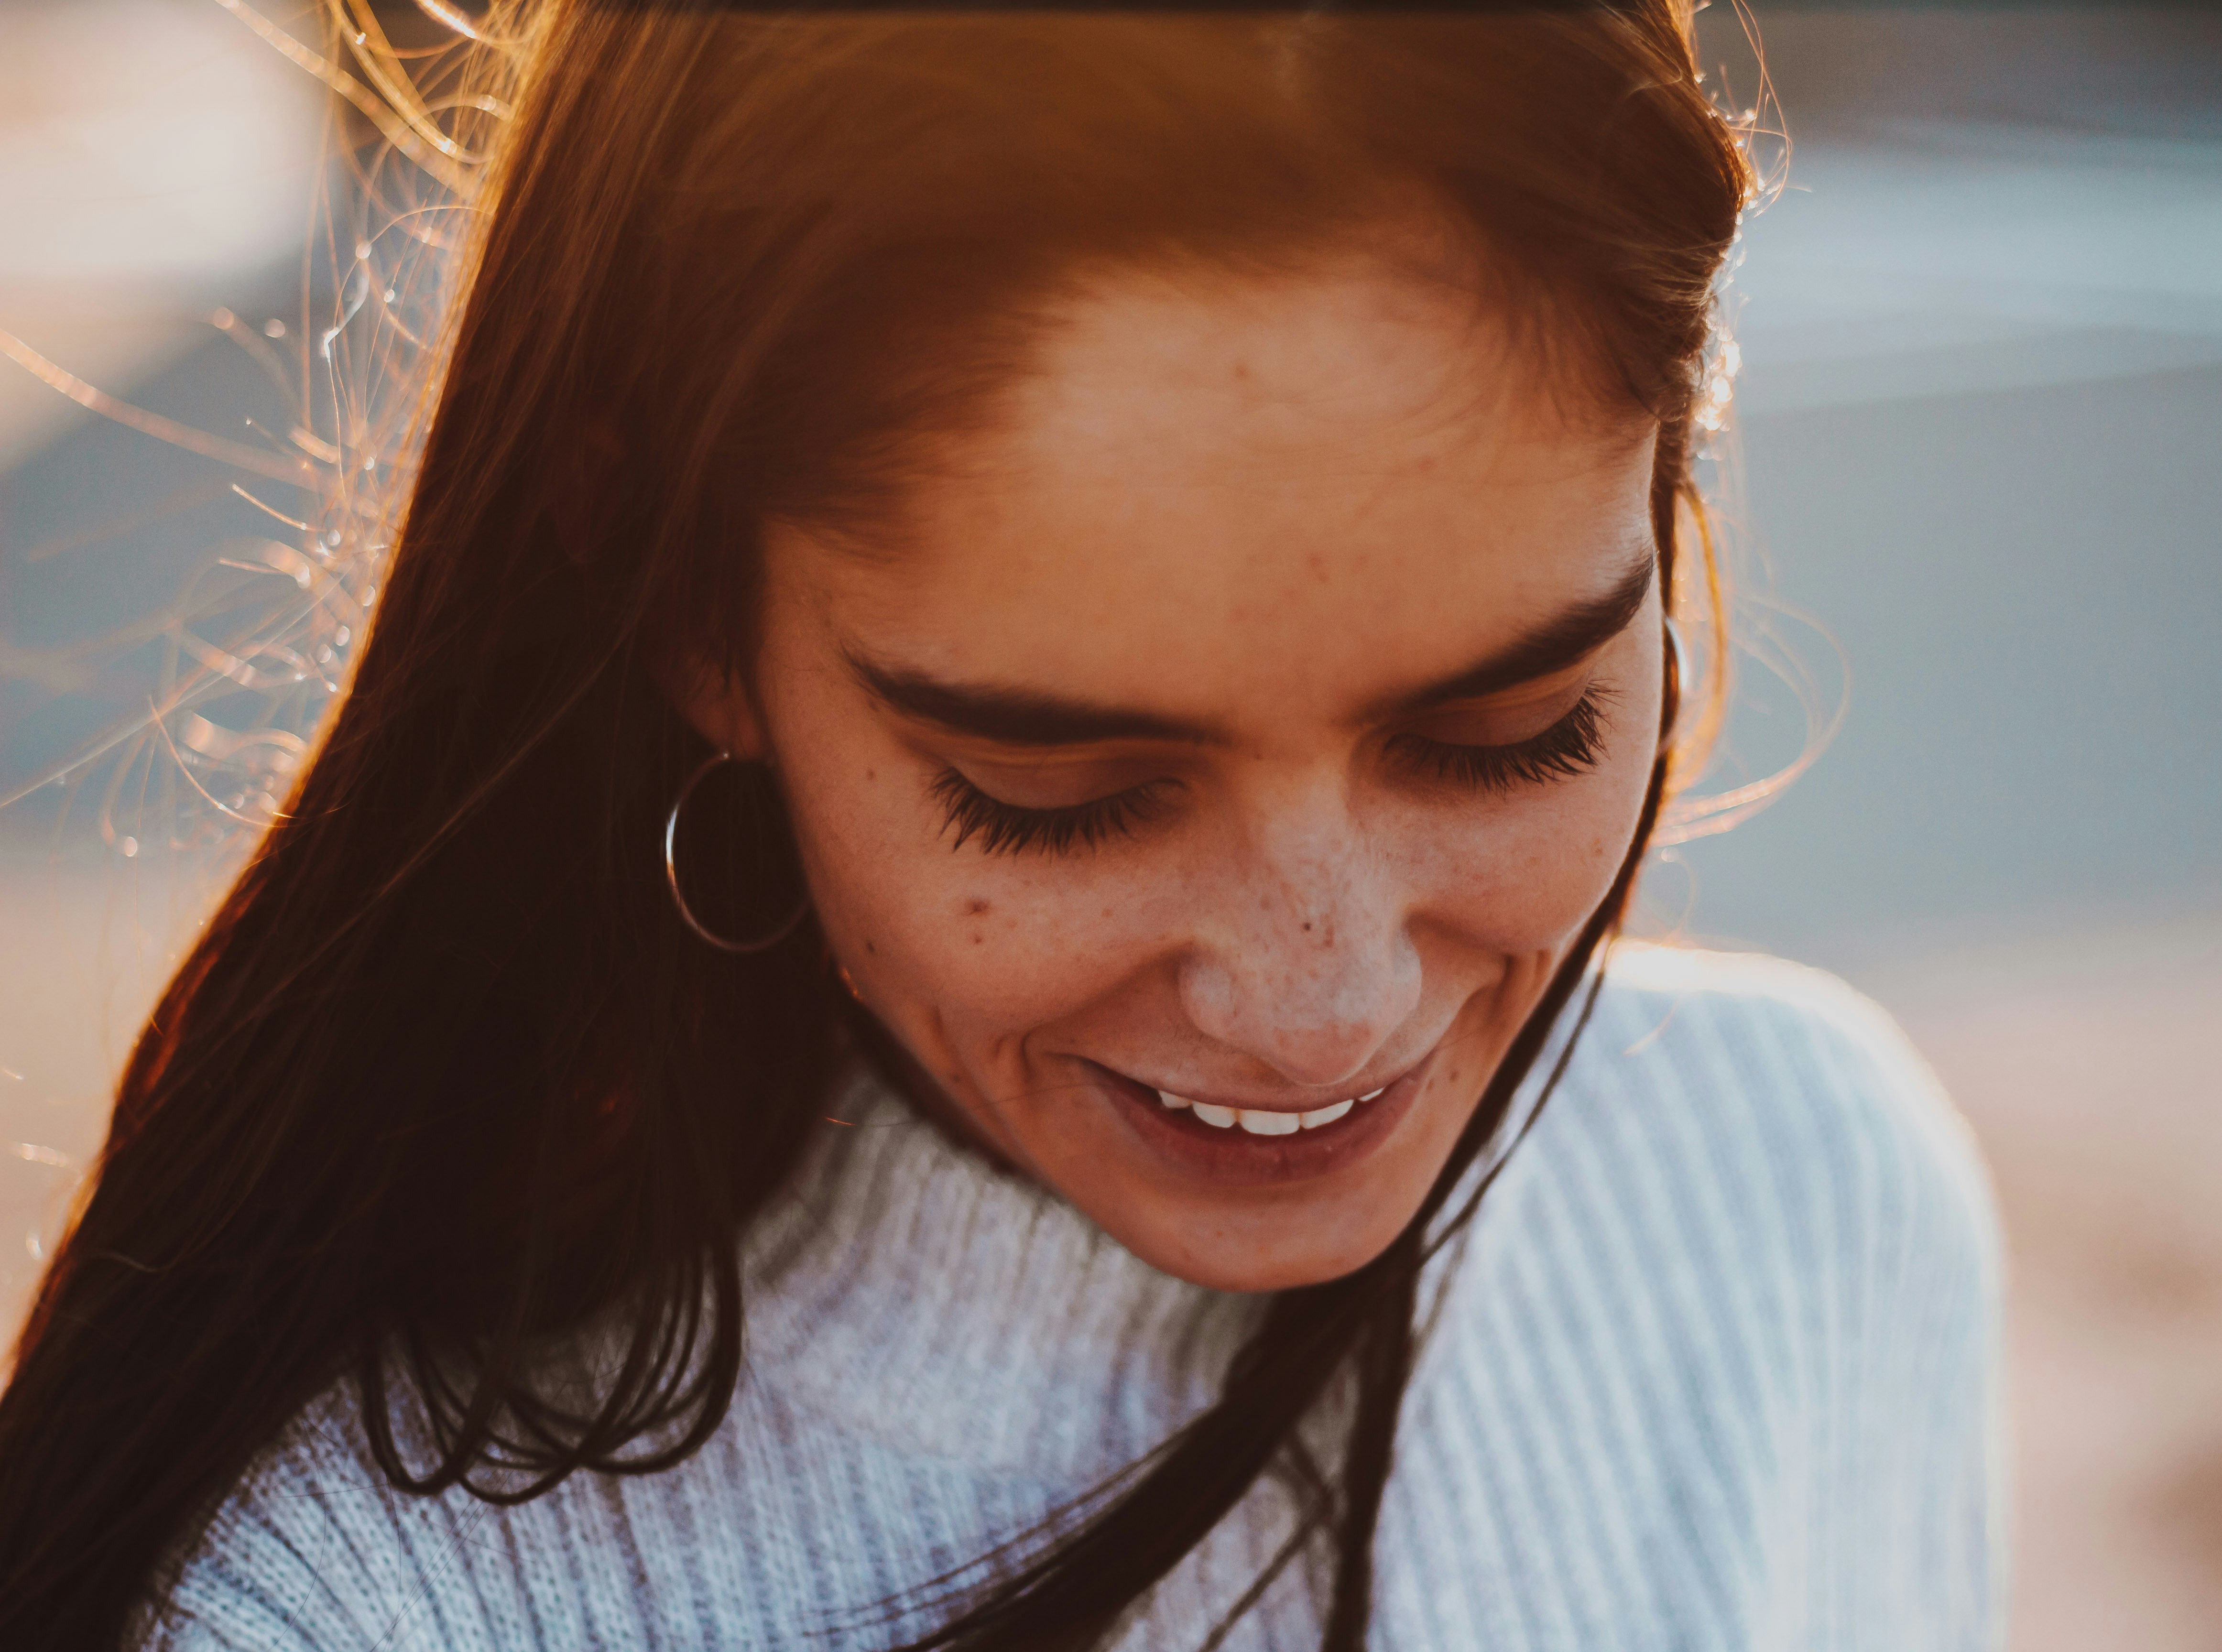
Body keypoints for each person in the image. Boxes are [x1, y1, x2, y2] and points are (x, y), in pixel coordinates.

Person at [0, 3, 2006, 1647]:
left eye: (1506, 734)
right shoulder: (355, 1604)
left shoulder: (1804, 1197)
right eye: (1067, 796)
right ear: (687, 608)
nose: (1321, 1003)